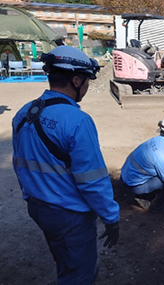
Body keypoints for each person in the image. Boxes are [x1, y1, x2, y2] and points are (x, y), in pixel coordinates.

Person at [12, 46, 120, 284]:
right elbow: (93, 180)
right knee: (79, 275)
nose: (88, 87)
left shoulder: (23, 113)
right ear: (76, 79)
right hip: (69, 216)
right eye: (87, 81)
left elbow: (19, 164)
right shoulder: (77, 121)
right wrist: (111, 217)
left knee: (64, 260)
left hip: (38, 208)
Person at [120, 115, 164, 215]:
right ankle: (155, 207)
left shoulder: (159, 141)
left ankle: (146, 195)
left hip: (128, 177)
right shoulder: (162, 153)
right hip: (134, 185)